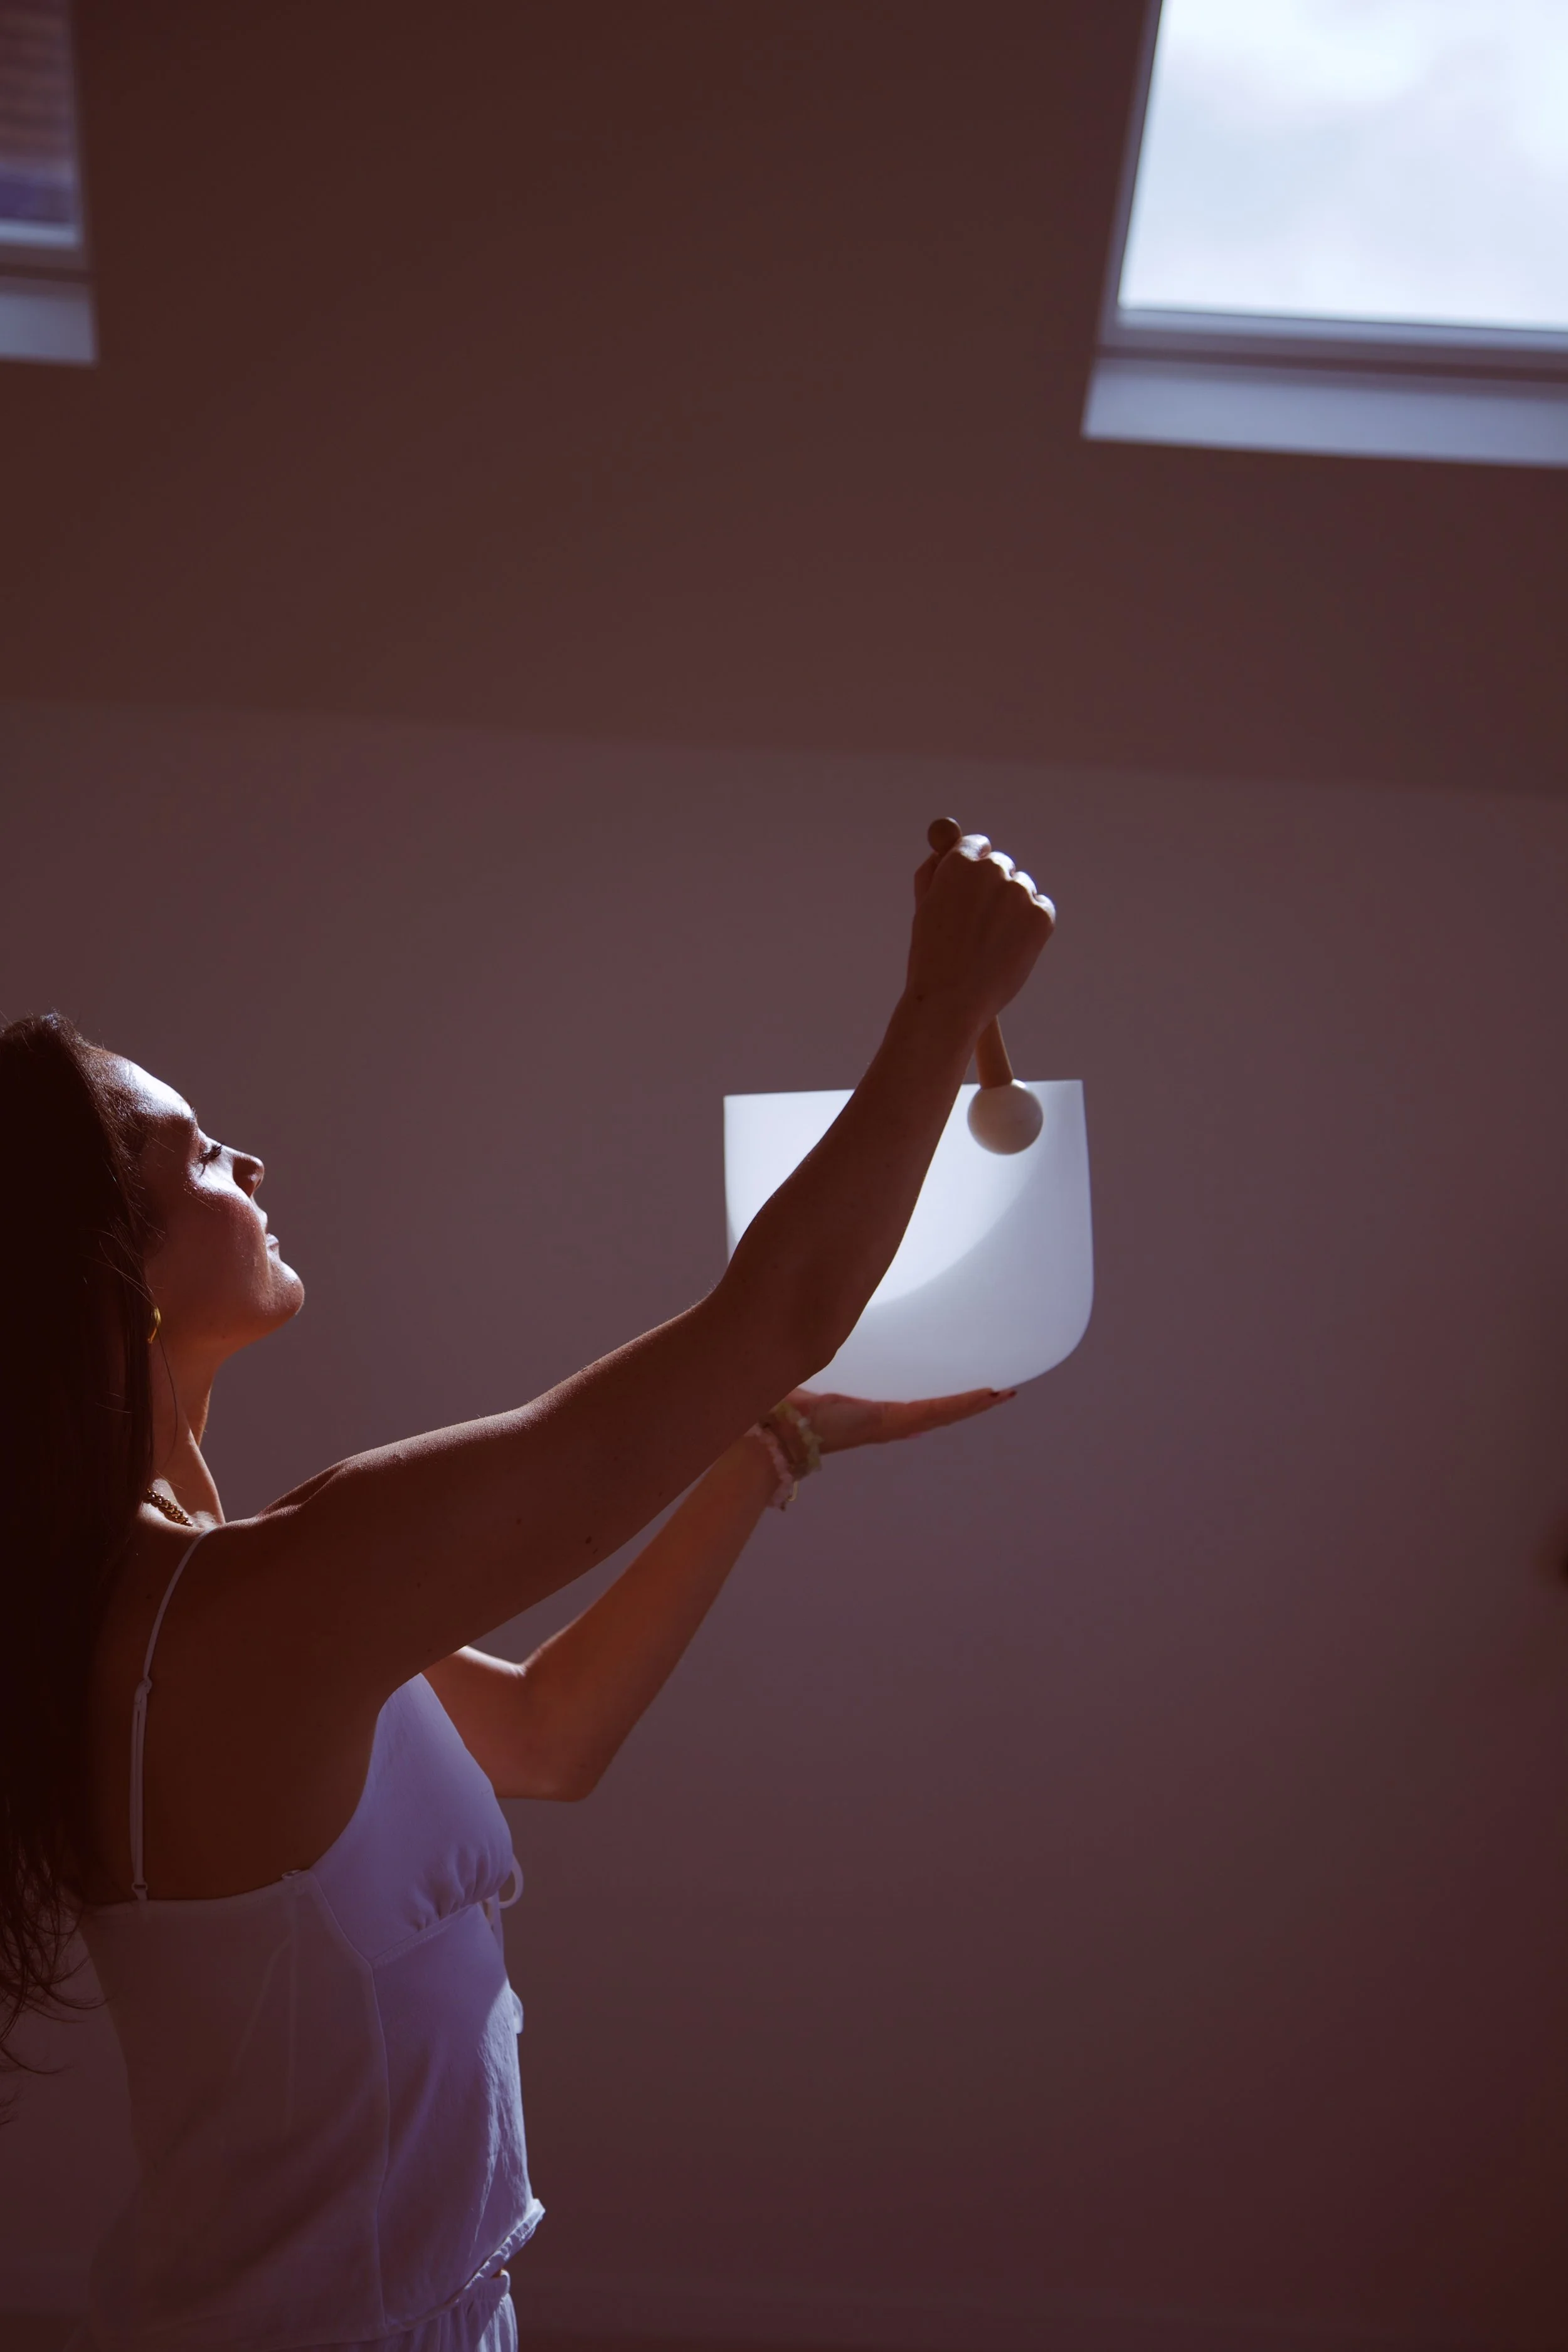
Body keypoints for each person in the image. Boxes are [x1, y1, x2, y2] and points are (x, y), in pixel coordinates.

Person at [0, 824, 1053, 2351]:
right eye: (196, 1148)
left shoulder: (201, 1609)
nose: (252, 1161)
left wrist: (766, 1449)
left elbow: (551, 1733)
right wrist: (938, 1008)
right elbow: (779, 1312)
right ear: (115, 1269)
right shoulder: (263, 1604)